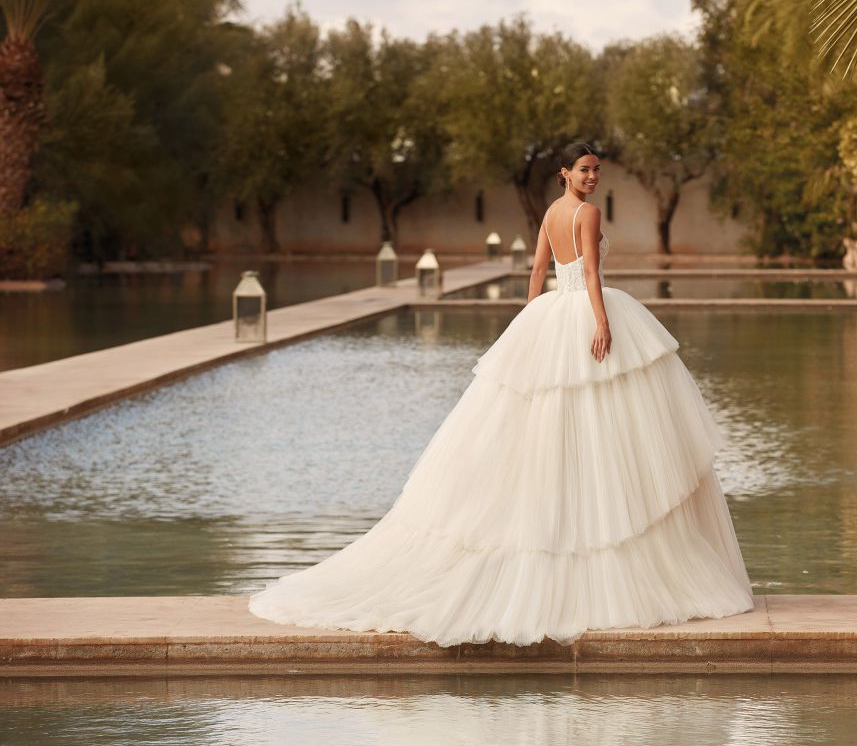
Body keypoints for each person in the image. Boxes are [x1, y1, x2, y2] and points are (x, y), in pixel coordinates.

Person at [248, 142, 756, 647]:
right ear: (565, 173)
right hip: (585, 313)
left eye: (597, 170)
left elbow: (539, 274)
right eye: (584, 170)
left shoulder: (550, 215)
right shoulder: (587, 213)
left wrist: (532, 326)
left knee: (569, 432)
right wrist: (600, 323)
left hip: (553, 313)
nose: (593, 177)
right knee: (610, 433)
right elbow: (593, 274)